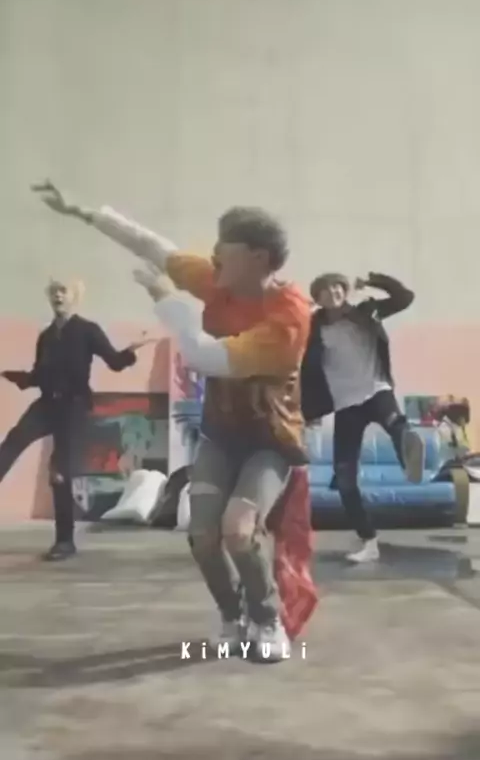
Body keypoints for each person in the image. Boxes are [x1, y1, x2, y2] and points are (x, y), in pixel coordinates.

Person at [36, 180, 312, 661]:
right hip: (221, 433)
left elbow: (207, 358)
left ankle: (267, 619)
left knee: (239, 530)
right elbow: (153, 246)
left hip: (270, 438)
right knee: (202, 536)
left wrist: (165, 299)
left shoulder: (288, 317)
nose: (213, 254)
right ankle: (232, 616)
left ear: (258, 258)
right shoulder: (221, 280)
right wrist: (84, 211)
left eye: (224, 247)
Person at [0, 277, 150, 561]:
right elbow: (38, 374)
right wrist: (18, 377)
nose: (58, 296)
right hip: (47, 403)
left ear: (74, 297)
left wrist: (131, 351)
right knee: (11, 443)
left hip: (74, 406)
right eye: (53, 291)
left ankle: (65, 541)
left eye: (63, 291)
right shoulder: (46, 336)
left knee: (59, 472)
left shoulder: (87, 330)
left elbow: (115, 362)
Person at [301, 271, 425, 564]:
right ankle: (369, 541)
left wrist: (373, 280)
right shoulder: (312, 326)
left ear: (345, 291)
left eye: (338, 287)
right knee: (345, 478)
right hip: (345, 404)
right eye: (326, 290)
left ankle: (410, 459)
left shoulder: (367, 311)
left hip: (376, 390)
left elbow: (404, 298)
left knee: (396, 424)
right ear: (318, 298)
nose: (334, 293)